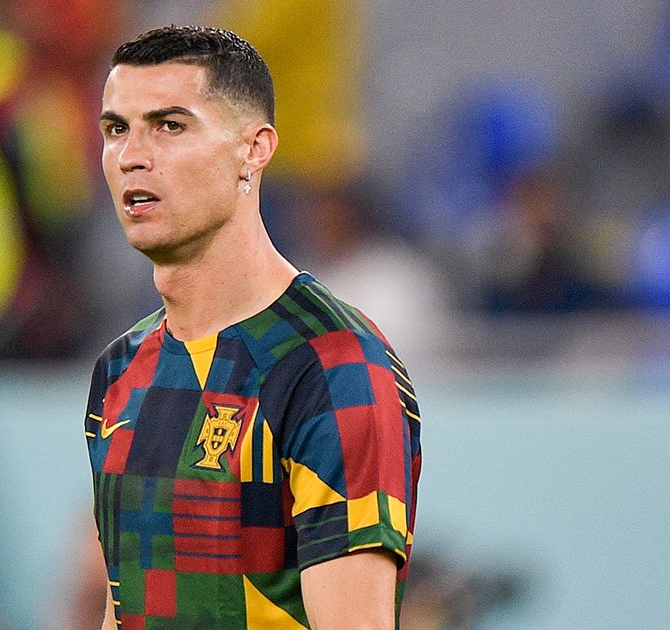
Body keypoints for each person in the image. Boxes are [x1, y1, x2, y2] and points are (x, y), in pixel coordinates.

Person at [84, 26, 422, 629]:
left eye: (169, 125)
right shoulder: (118, 370)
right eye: (117, 129)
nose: (132, 155)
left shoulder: (335, 365)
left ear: (253, 149)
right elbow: (127, 605)